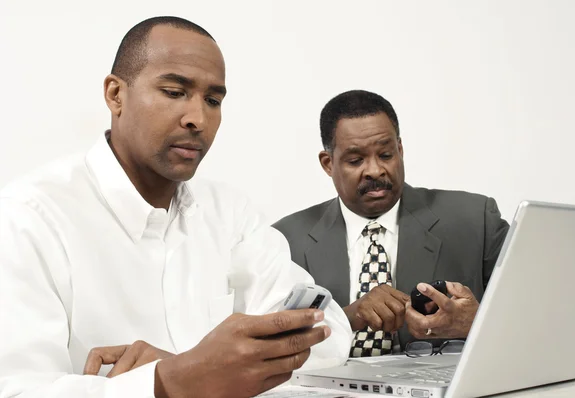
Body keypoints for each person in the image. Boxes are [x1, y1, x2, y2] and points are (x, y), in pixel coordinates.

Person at [0, 17, 352, 397]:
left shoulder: (230, 214)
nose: (197, 119)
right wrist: (168, 380)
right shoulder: (29, 218)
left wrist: (188, 368)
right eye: (173, 92)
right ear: (116, 95)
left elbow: (329, 331)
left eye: (213, 101)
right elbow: (19, 390)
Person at [273, 90, 509, 357]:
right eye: (355, 160)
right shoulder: (285, 240)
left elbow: (538, 311)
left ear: (400, 149)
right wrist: (348, 317)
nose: (375, 170)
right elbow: (270, 344)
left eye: (386, 155)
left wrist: (475, 322)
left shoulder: (475, 220)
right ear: (328, 164)